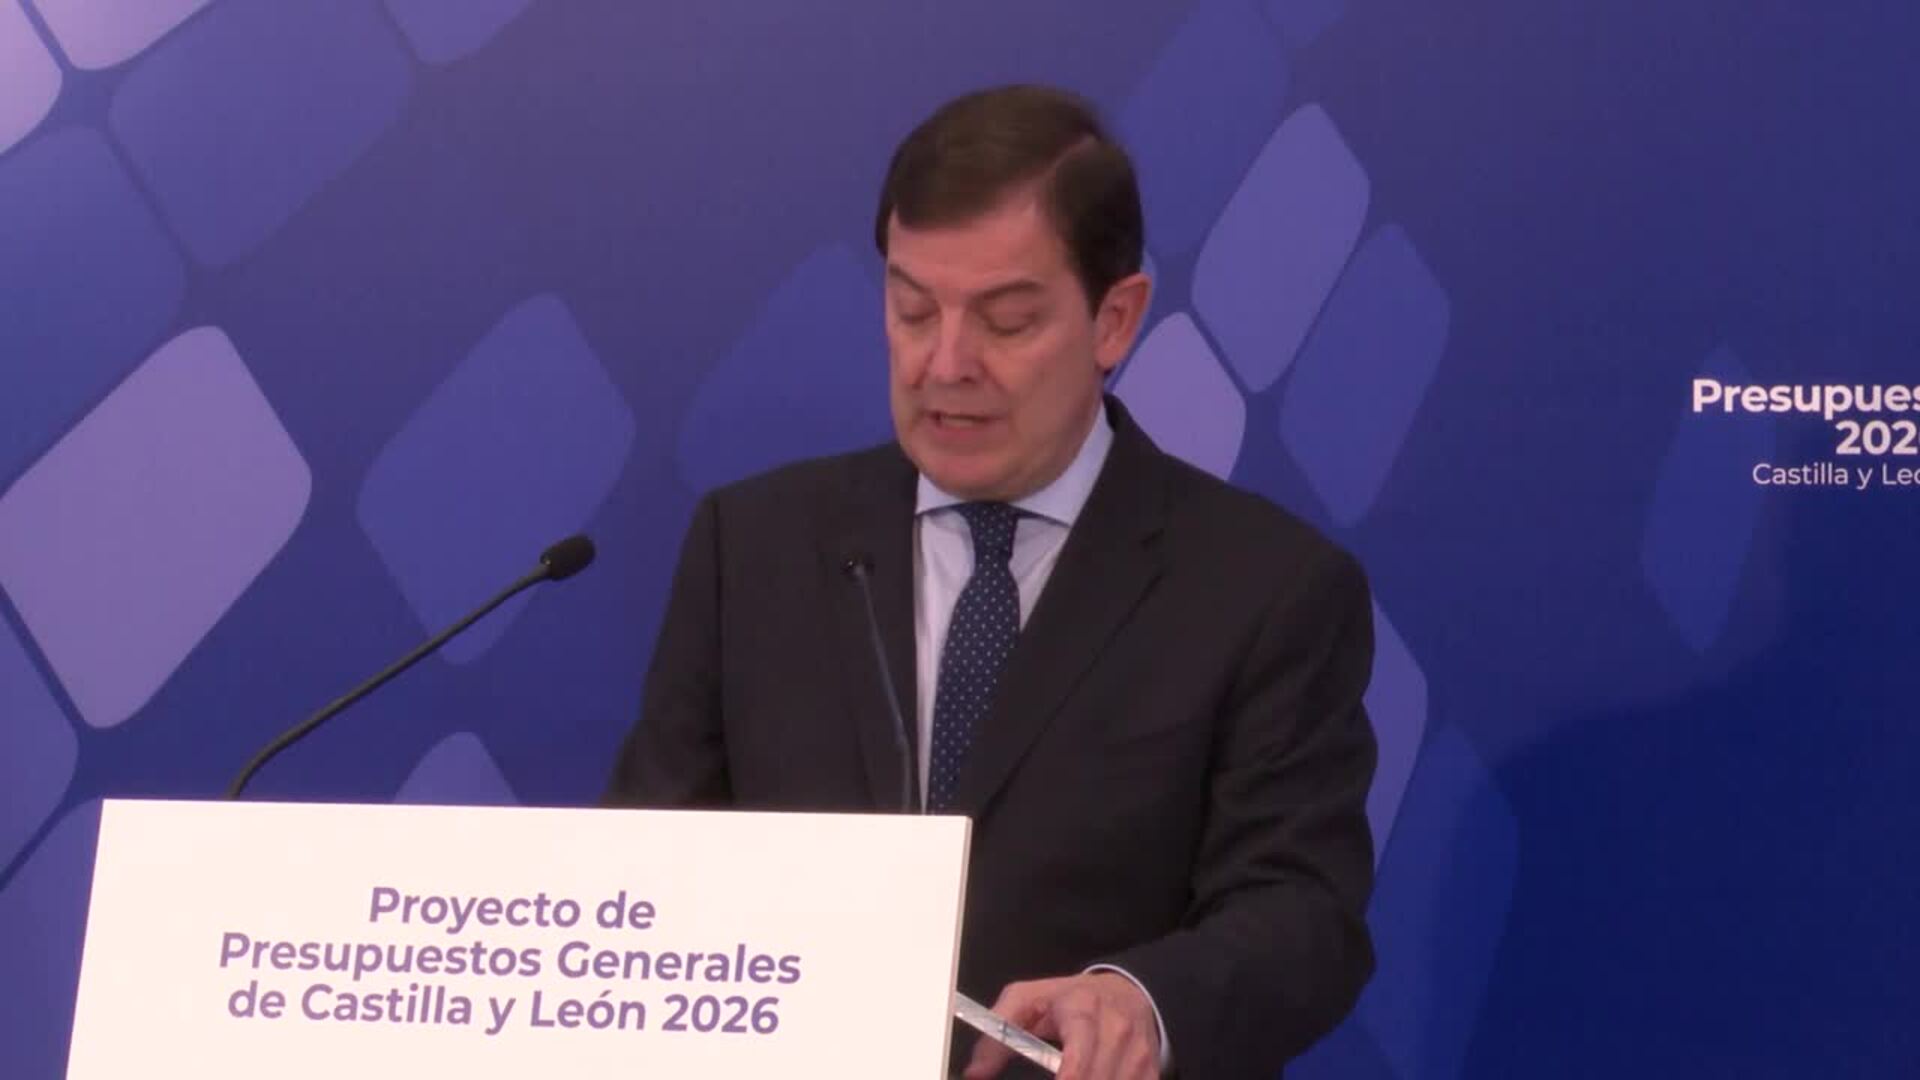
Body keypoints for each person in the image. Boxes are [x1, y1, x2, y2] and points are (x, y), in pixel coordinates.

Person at [605, 84, 1377, 1079]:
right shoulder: (753, 547)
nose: (946, 363)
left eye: (1007, 321)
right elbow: (647, 869)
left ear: (1115, 321)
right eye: (912, 310)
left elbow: (1302, 914)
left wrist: (1142, 1000)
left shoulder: (1265, 589)